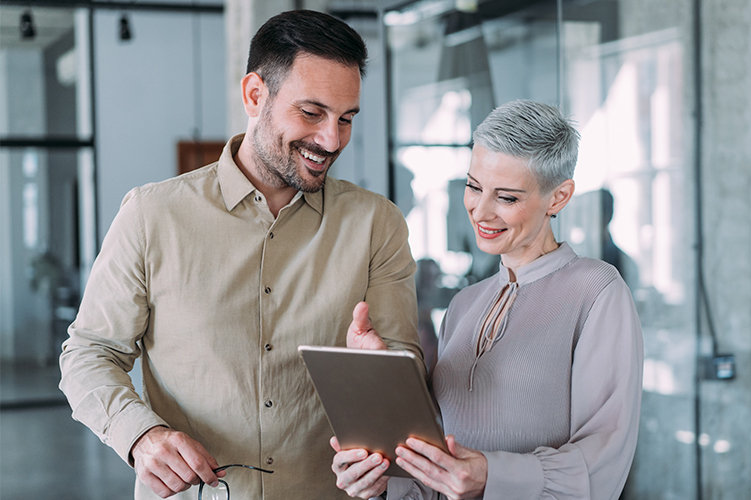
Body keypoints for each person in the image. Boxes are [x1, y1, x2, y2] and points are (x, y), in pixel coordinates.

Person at [59, 10, 421, 500]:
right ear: (255, 95)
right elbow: (89, 352)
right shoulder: (152, 215)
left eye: (346, 118)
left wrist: (385, 381)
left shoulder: (377, 225)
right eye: (311, 113)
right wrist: (140, 436)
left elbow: (404, 371)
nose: (331, 139)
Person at [332, 100, 643, 500]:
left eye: (507, 198)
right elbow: (433, 472)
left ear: (559, 197)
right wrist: (378, 475)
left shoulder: (597, 291)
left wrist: (491, 475)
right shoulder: (464, 305)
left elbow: (602, 466)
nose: (479, 211)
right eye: (474, 186)